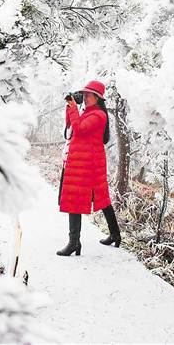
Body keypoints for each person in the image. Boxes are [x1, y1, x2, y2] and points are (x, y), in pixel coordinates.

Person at [57, 80, 121, 256]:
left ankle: (74, 243)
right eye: (83, 95)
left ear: (98, 98)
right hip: (81, 161)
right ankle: (115, 234)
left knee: (76, 199)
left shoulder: (99, 115)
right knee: (101, 198)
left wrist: (73, 108)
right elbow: (71, 124)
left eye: (87, 95)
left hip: (88, 164)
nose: (84, 98)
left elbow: (79, 128)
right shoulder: (88, 112)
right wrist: (70, 106)